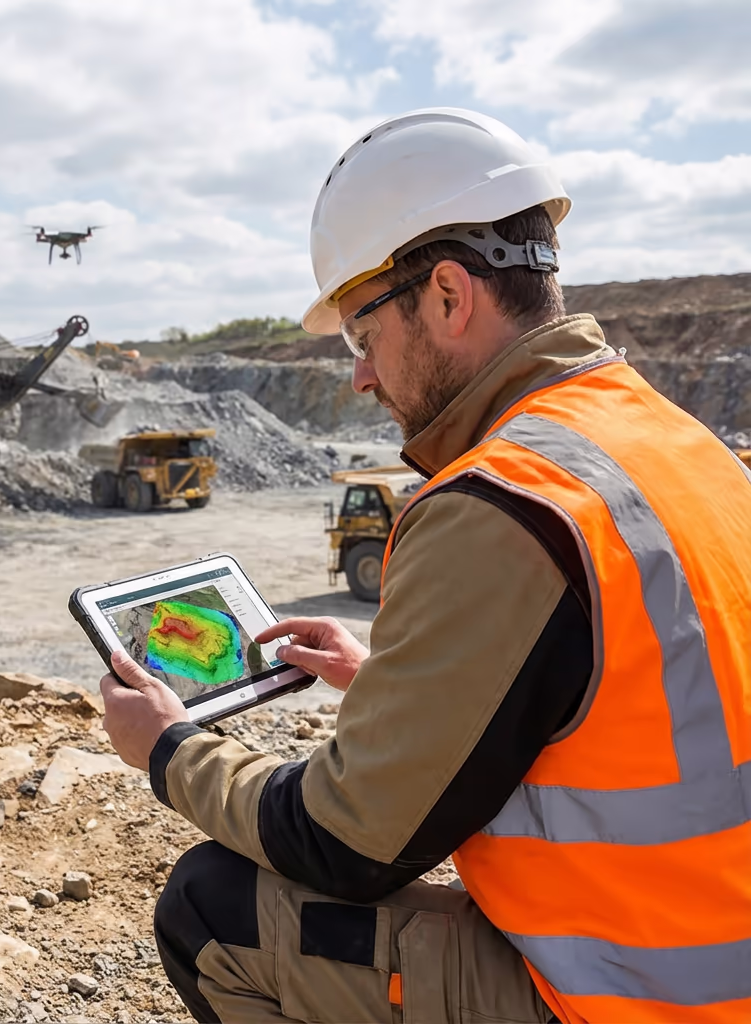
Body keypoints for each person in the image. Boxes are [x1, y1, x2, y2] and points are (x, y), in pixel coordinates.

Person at [99, 108, 751, 1023]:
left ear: (447, 296)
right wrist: (394, 679)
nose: (362, 377)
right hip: (715, 947)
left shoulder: (502, 501)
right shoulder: (673, 440)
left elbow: (348, 841)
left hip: (645, 995)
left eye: (363, 338)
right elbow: (646, 694)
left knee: (213, 908)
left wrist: (168, 749)